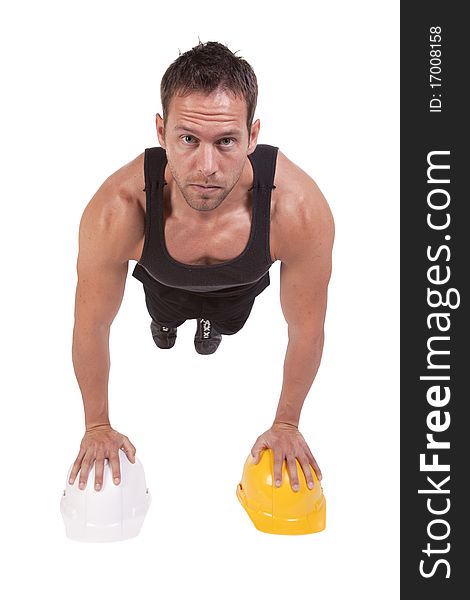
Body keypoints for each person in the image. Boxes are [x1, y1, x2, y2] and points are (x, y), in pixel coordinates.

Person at [68, 41, 334, 497]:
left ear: (252, 137)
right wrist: (97, 425)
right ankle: (166, 327)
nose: (206, 167)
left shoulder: (297, 210)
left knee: (225, 324)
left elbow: (306, 327)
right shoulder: (119, 208)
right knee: (164, 315)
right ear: (161, 130)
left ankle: (210, 328)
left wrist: (286, 423)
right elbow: (92, 324)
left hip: (239, 292)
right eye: (188, 139)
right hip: (163, 284)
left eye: (226, 141)